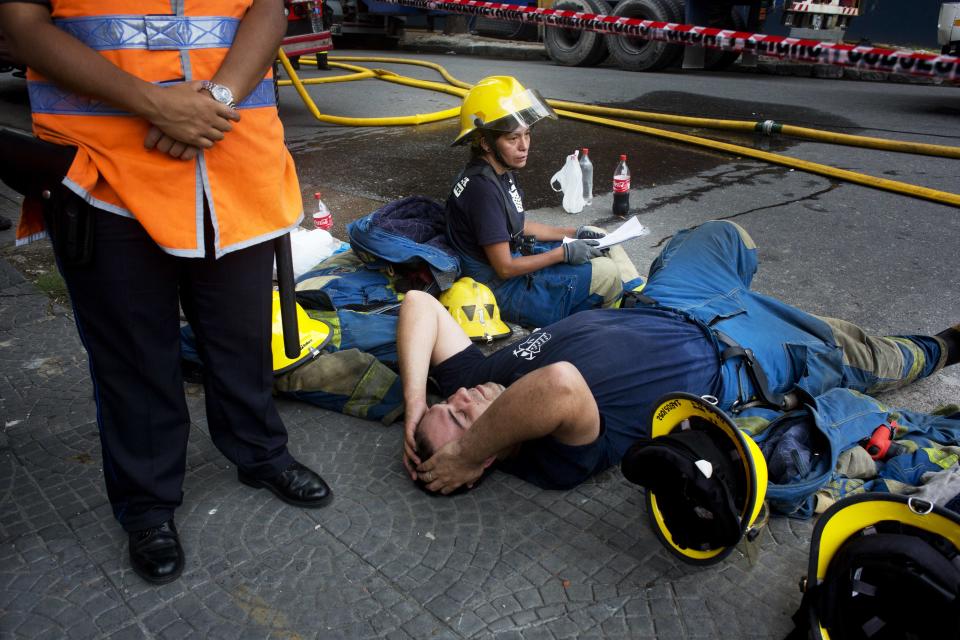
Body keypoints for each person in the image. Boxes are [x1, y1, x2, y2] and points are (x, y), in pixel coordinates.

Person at [0, 0, 331, 585]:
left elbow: (269, 10)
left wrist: (216, 101)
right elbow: (21, 27)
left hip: (233, 157)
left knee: (243, 334)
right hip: (107, 170)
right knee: (133, 353)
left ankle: (260, 453)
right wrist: (155, 104)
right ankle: (148, 505)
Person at [399, 220, 960, 494]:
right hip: (746, 355)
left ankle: (741, 280)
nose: (466, 398)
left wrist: (417, 404)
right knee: (875, 358)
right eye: (464, 420)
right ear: (488, 457)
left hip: (672, 301)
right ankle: (950, 344)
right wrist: (464, 452)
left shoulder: (478, 377)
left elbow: (421, 303)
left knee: (725, 235)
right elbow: (560, 385)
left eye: (452, 402)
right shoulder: (551, 459)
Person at [446, 75, 645, 329]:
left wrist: (574, 232)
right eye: (512, 138)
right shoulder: (482, 190)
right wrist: (563, 252)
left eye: (527, 134)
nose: (524, 146)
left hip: (513, 268)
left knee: (599, 235)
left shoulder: (496, 172)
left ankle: (637, 295)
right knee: (606, 273)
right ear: (485, 143)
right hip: (505, 290)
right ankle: (616, 325)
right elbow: (505, 268)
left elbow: (517, 224)